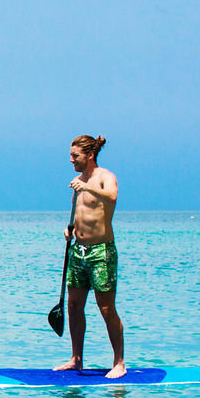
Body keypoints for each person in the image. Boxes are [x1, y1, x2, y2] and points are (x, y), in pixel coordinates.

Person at [54, 133, 125, 379]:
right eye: (70, 155)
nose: (71, 160)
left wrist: (88, 186)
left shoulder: (105, 178)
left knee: (106, 307)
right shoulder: (77, 182)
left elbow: (112, 198)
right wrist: (70, 229)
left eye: (75, 156)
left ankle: (119, 362)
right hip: (78, 251)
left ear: (89, 155)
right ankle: (76, 359)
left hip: (101, 252)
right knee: (74, 306)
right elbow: (80, 212)